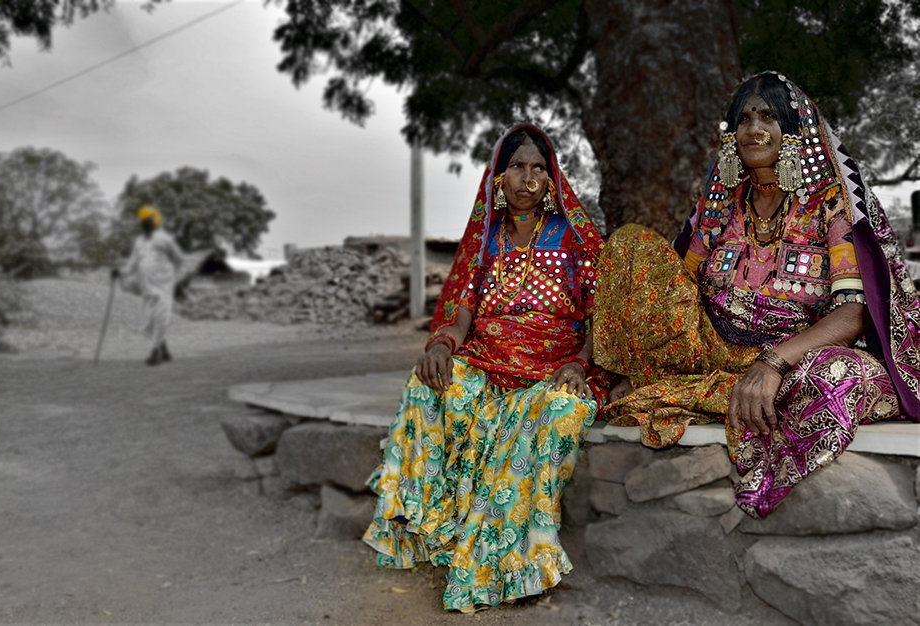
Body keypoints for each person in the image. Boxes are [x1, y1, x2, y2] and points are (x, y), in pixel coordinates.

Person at [592, 71, 920, 520]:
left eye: (768, 116)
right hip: (714, 350)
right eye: (743, 118)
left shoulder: (829, 206)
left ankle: (740, 428)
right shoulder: (720, 206)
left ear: (795, 129)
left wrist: (772, 362)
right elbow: (676, 285)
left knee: (841, 374)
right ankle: (676, 379)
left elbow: (852, 316)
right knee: (630, 243)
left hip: (792, 360)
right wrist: (611, 356)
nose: (753, 128)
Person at [362, 124, 613, 612]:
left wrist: (582, 364)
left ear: (553, 177)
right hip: (488, 359)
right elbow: (461, 320)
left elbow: (601, 317)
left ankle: (519, 563)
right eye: (517, 166)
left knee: (561, 413)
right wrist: (440, 347)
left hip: (556, 366)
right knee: (430, 386)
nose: (528, 177)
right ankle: (432, 530)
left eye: (539, 168)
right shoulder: (486, 241)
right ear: (498, 178)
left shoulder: (572, 237)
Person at [112, 206, 184, 366]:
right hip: (147, 287)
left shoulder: (165, 238)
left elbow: (179, 258)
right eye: (143, 221)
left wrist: (174, 276)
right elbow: (132, 264)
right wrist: (120, 273)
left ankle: (156, 352)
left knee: (161, 318)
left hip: (164, 286)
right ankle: (163, 347)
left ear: (155, 220)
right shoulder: (139, 241)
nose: (145, 223)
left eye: (148, 220)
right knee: (145, 327)